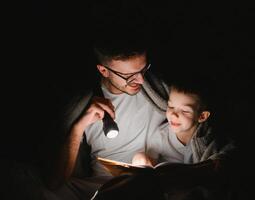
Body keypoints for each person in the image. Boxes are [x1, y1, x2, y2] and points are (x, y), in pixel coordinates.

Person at [44, 32, 170, 200]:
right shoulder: (82, 106)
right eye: (129, 75)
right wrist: (78, 127)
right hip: (103, 185)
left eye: (143, 69)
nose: (140, 80)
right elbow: (55, 181)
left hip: (152, 178)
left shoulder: (160, 91)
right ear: (104, 70)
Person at [130, 76, 237, 200]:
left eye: (185, 111)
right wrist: (141, 160)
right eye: (171, 107)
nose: (174, 114)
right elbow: (149, 162)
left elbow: (227, 157)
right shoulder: (161, 135)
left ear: (202, 116)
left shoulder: (208, 139)